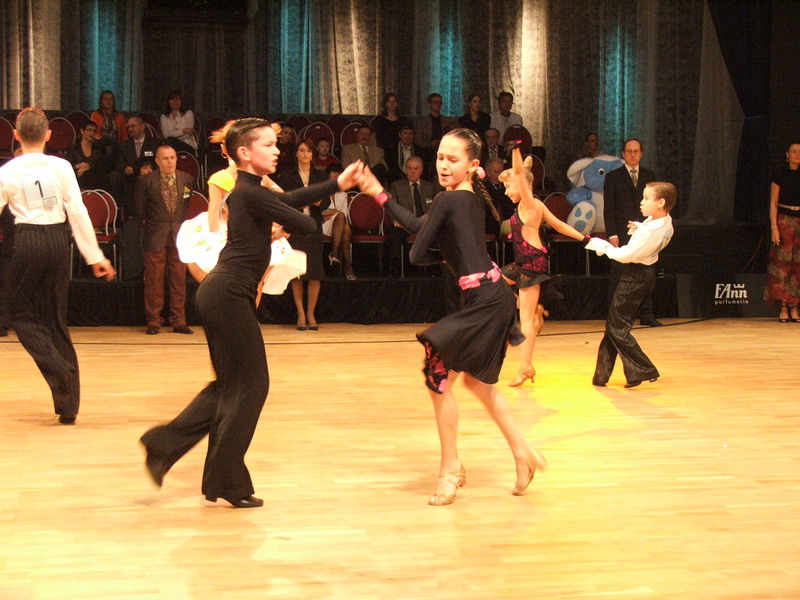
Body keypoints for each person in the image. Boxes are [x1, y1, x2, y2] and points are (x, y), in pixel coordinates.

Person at [140, 118, 365, 508]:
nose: (277, 150)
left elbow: (289, 203)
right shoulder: (249, 193)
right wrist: (295, 214)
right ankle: (223, 477)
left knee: (232, 387)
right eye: (268, 144)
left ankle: (167, 446)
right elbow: (306, 222)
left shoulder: (249, 192)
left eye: (276, 144)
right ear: (244, 153)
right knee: (252, 386)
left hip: (223, 293)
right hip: (227, 294)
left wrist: (335, 185)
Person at [361, 127, 547, 506]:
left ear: (472, 164)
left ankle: (450, 469)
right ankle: (523, 453)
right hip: (490, 296)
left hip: (485, 299)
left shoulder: (450, 199)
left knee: (439, 377)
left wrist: (377, 193)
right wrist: (379, 194)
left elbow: (417, 250)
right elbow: (420, 228)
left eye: (452, 159)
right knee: (477, 385)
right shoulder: (467, 198)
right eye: (440, 157)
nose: (443, 165)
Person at [0, 108, 115, 424]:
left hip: (27, 240)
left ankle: (58, 366)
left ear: (16, 135)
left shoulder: (8, 171)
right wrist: (95, 256)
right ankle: (69, 407)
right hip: (58, 241)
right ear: (49, 135)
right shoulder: (62, 166)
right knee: (55, 320)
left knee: (18, 313)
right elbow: (77, 212)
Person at [500, 149, 587, 386]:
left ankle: (526, 367)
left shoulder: (530, 203)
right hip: (523, 262)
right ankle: (535, 308)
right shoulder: (530, 204)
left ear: (523, 186)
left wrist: (515, 150)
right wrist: (583, 238)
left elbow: (520, 174)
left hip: (532, 263)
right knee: (494, 283)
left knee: (525, 321)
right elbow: (558, 225)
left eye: (508, 186)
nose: (506, 192)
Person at [587, 181, 676, 389]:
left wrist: (602, 246)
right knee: (614, 325)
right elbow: (649, 234)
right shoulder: (664, 222)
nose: (641, 202)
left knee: (617, 327)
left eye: (646, 198)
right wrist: (640, 227)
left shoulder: (650, 232)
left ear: (661, 202)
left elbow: (626, 255)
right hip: (644, 275)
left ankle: (644, 368)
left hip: (635, 277)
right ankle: (602, 376)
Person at [135, 145, 194, 335]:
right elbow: (139, 209)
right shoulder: (146, 181)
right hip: (155, 234)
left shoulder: (187, 179)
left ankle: (179, 320)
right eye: (165, 158)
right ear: (157, 161)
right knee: (154, 280)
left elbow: (186, 205)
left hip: (179, 234)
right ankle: (154, 320)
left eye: (173, 157)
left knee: (179, 279)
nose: (170, 162)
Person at [603, 138, 661, 326]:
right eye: (629, 151)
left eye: (636, 151)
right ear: (623, 153)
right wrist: (612, 234)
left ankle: (647, 314)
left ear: (641, 153)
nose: (633, 154)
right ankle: (614, 315)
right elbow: (609, 208)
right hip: (622, 231)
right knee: (619, 273)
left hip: (646, 231)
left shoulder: (650, 176)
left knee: (646, 272)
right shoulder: (613, 177)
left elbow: (656, 207)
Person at [280, 138, 329, 330]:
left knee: (315, 271)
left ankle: (311, 313)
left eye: (308, 151)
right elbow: (283, 201)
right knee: (297, 272)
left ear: (312, 154)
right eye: (301, 150)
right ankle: (300, 313)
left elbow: (326, 201)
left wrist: (320, 202)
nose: (305, 154)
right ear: (296, 153)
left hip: (314, 225)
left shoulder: (320, 176)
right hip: (295, 226)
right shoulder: (287, 177)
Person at [764, 141, 800, 322]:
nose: (797, 154)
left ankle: (795, 306)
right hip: (784, 220)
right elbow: (773, 203)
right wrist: (774, 227)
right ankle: (784, 306)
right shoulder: (780, 175)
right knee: (782, 265)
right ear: (787, 155)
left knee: (797, 265)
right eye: (794, 151)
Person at [387, 156, 434, 277]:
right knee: (394, 233)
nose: (412, 171)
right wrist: (395, 220)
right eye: (409, 168)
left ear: (421, 171)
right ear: (405, 170)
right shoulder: (396, 186)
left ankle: (434, 269)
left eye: (416, 169)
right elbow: (391, 206)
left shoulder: (429, 187)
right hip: (405, 224)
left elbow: (433, 208)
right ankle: (395, 269)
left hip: (424, 223)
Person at [116, 115, 161, 218]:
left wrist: (149, 169)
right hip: (131, 177)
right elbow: (119, 163)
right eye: (128, 127)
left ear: (142, 126)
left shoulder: (155, 143)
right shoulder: (124, 145)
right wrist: (125, 168)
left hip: (149, 176)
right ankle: (130, 216)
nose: (130, 129)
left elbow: (158, 161)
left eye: (133, 126)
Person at [322, 163, 355, 280]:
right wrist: (335, 212)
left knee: (344, 226)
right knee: (343, 223)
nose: (337, 174)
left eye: (339, 172)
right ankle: (347, 265)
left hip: (338, 225)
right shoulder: (321, 190)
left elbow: (344, 214)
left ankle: (335, 254)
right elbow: (321, 213)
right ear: (328, 174)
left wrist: (331, 213)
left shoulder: (343, 194)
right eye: (334, 172)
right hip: (323, 224)